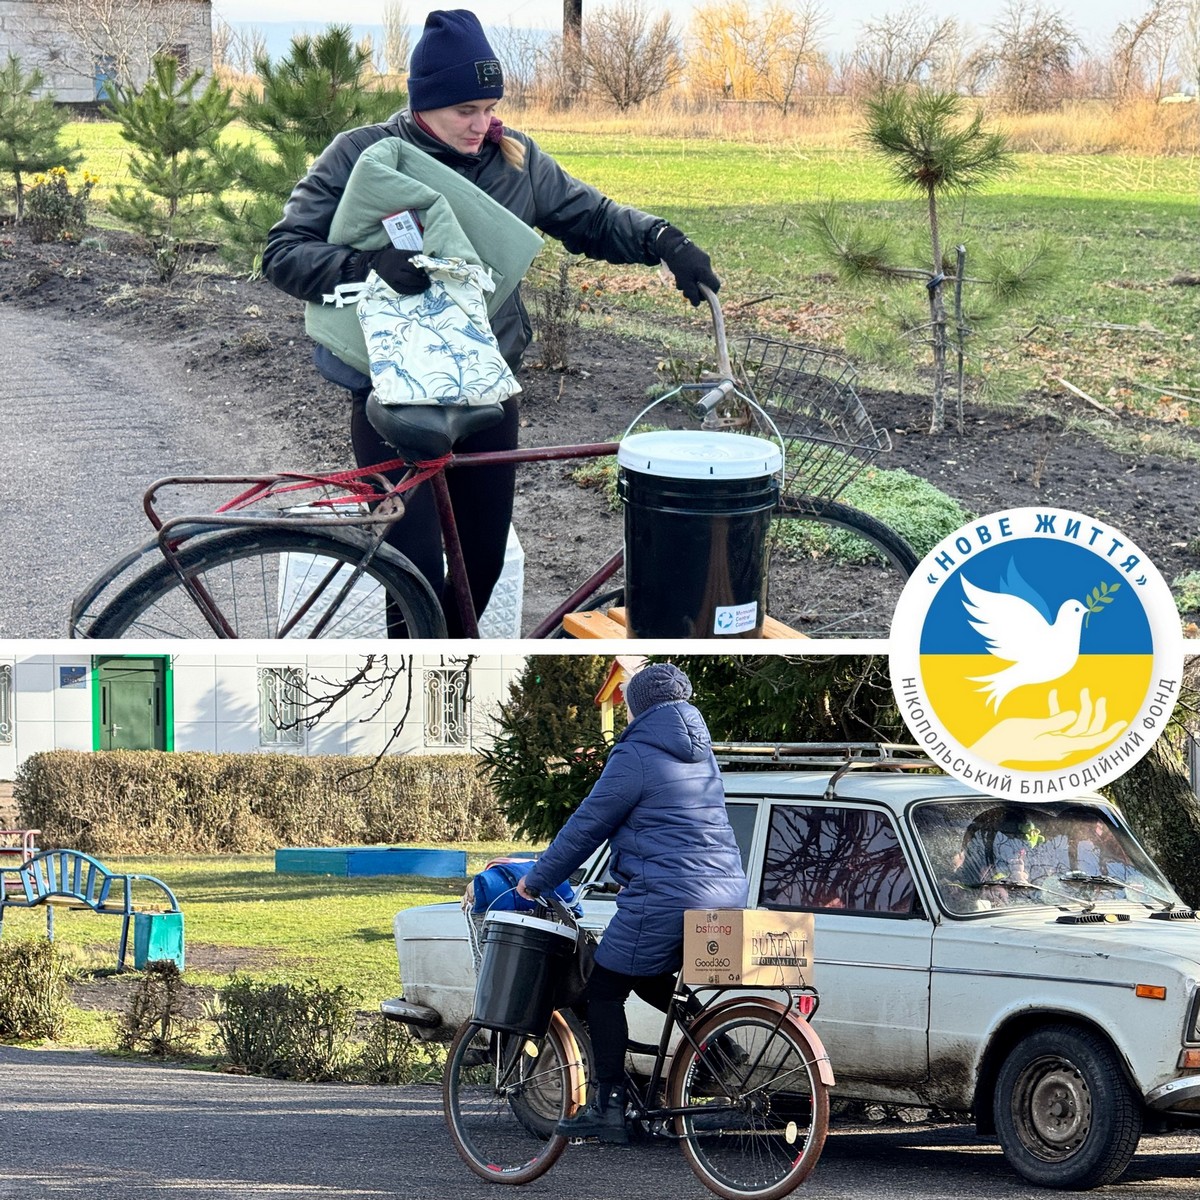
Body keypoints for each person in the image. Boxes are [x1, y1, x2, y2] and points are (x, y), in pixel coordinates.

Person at [262, 9, 721, 636]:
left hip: (485, 386)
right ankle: (419, 691)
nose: (482, 125)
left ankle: (453, 674)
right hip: (394, 395)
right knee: (412, 566)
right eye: (465, 111)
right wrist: (369, 264)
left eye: (490, 106)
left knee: (481, 562)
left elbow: (592, 217)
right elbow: (282, 253)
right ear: (424, 103)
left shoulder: (516, 160)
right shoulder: (364, 155)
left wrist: (663, 240)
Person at [517, 662, 749, 1144]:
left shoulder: (637, 753)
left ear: (639, 708)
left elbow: (587, 826)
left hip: (668, 895)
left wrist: (535, 882)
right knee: (646, 977)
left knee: (604, 989)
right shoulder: (700, 755)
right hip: (727, 893)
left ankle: (608, 1107)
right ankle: (719, 1049)